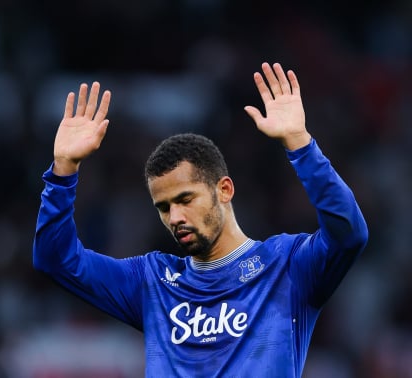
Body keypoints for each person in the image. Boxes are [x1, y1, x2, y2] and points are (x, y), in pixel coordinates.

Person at [32, 62, 368, 377]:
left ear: (224, 190)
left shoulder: (288, 267)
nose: (175, 217)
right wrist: (63, 171)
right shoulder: (151, 283)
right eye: (164, 207)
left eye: (185, 199)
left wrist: (301, 146)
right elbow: (55, 259)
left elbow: (349, 233)